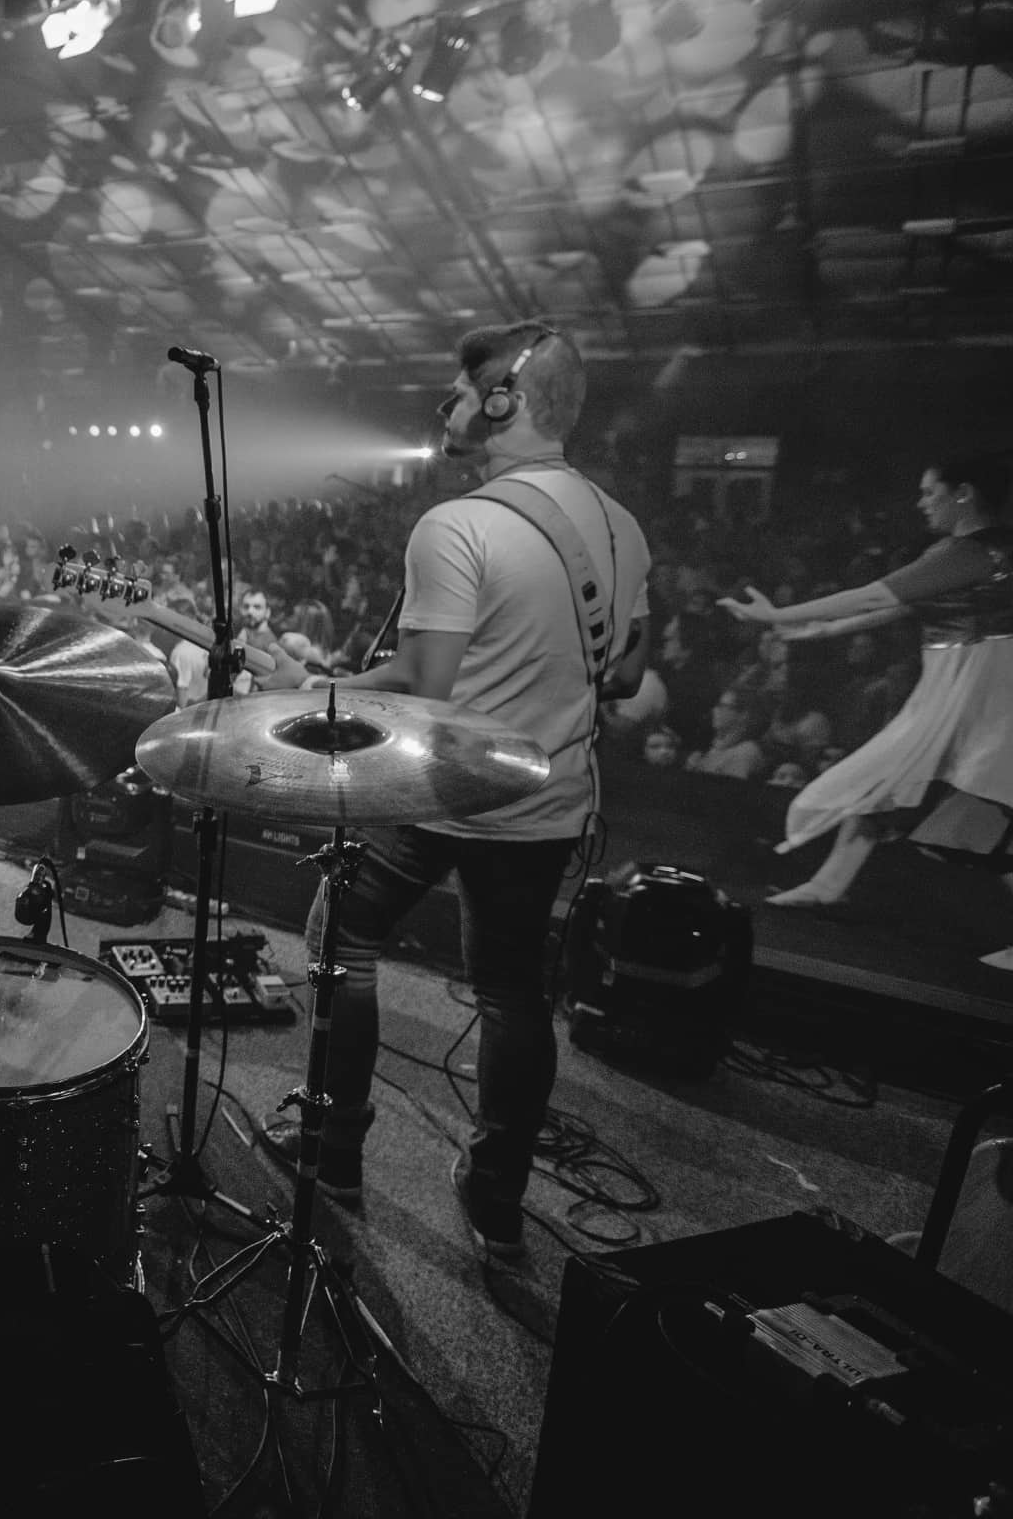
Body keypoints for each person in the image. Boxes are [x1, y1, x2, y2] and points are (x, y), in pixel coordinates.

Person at [260, 321, 650, 1261]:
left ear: (505, 401)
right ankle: (496, 1201)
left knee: (338, 940)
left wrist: (312, 688)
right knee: (513, 996)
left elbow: (425, 686)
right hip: (549, 800)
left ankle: (333, 1151)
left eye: (460, 391)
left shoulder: (459, 523)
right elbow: (628, 678)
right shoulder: (620, 526)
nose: (447, 406)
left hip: (443, 789)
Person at [721, 452, 1013, 969]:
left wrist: (778, 614)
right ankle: (829, 884)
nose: (922, 502)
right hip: (958, 688)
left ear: (963, 493)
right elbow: (902, 607)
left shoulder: (974, 551)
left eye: (930, 492)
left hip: (985, 693)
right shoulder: (966, 554)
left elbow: (868, 596)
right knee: (890, 779)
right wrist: (816, 631)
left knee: (985, 809)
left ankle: (829, 885)